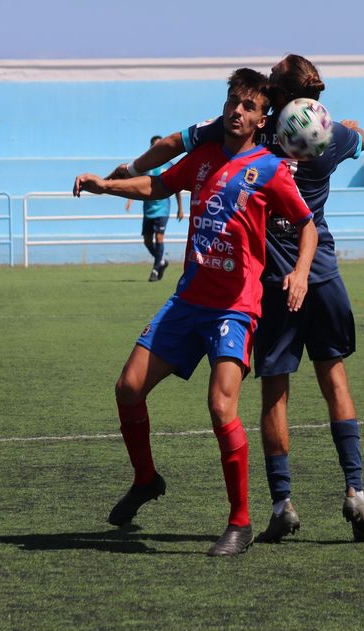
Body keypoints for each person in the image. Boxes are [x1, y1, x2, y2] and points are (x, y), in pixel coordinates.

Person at [108, 53, 364, 543]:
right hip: (322, 276)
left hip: (275, 282)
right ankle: (355, 489)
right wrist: (355, 132)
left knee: (274, 390)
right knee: (334, 378)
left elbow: (173, 144)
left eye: (268, 81)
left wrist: (129, 167)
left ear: (271, 97)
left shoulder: (255, 137)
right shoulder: (330, 134)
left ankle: (281, 504)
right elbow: (361, 140)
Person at [74, 68, 317, 556]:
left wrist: (302, 272)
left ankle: (240, 523)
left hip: (235, 308)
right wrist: (107, 185)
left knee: (220, 406)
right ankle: (146, 480)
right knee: (127, 389)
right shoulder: (202, 157)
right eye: (232, 101)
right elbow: (157, 186)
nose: (236, 111)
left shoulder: (269, 168)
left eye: (248, 106)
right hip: (188, 302)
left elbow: (306, 224)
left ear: (261, 118)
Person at [124, 135, 185, 281]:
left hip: (163, 207)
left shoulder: (169, 165)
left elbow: (176, 187)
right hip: (148, 207)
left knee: (159, 237)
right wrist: (130, 199)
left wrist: (180, 208)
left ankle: (156, 270)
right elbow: (136, 183)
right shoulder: (145, 165)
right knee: (147, 241)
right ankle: (161, 261)